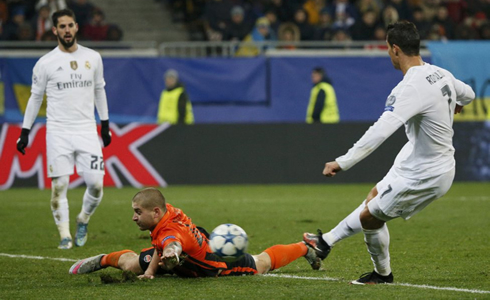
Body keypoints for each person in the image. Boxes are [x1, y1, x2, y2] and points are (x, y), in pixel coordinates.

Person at [302, 21, 475, 284]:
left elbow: (380, 131)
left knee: (370, 218)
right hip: (415, 157)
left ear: (395, 49)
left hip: (427, 172)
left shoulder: (409, 88)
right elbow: (470, 93)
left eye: (386, 48)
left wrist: (343, 162)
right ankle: (325, 242)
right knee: (373, 197)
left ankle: (383, 275)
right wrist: (458, 104)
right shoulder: (440, 73)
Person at [16, 8, 112, 250]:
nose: (67, 30)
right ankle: (65, 236)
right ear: (54, 30)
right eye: (62, 26)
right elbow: (34, 99)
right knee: (59, 185)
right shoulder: (45, 63)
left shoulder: (93, 58)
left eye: (70, 25)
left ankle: (83, 220)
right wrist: (25, 132)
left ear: (76, 27)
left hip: (86, 130)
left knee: (97, 184)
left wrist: (105, 124)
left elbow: (99, 90)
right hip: (58, 131)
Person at [69, 187, 322, 278]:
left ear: (156, 212)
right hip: (191, 247)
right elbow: (164, 243)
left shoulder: (169, 231)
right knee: (132, 264)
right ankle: (102, 260)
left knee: (260, 263)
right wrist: (150, 271)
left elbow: (171, 244)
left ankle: (305, 247)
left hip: (213, 260)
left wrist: (171, 254)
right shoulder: (165, 214)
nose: (134, 217)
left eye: (138, 212)